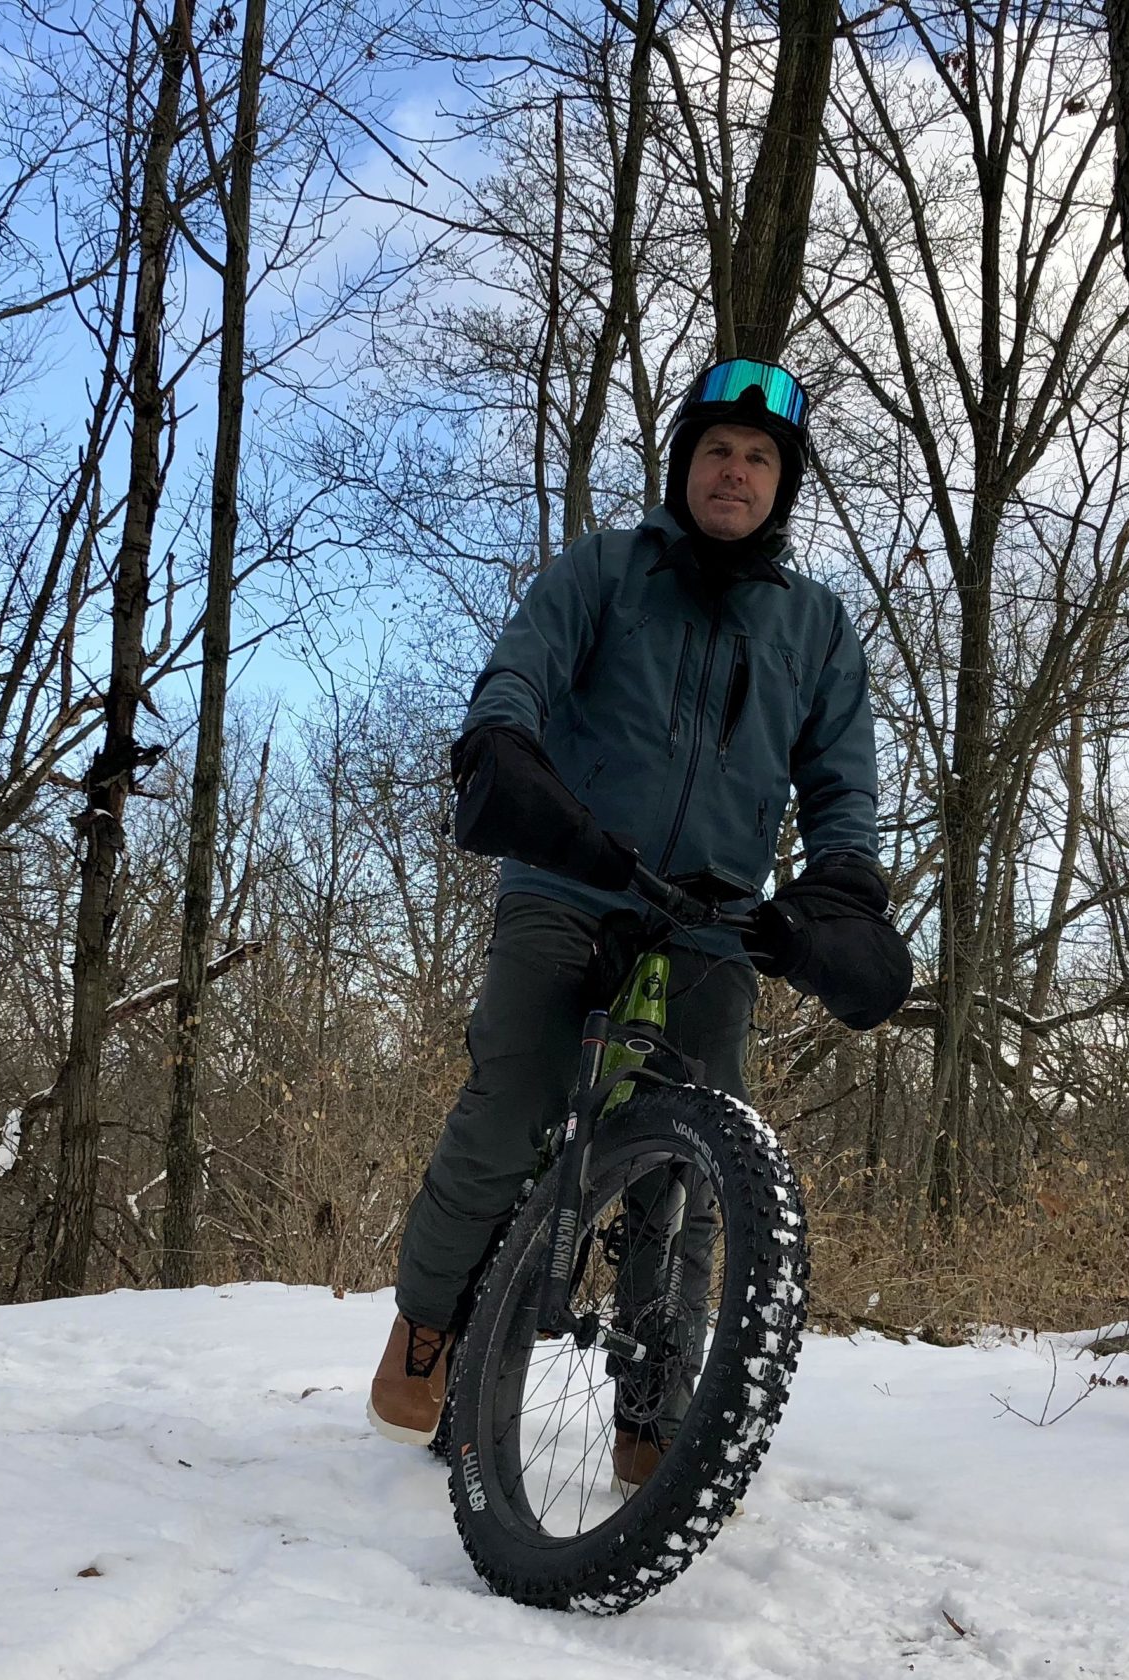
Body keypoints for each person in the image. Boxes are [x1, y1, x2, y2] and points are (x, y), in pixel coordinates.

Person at [369, 359, 912, 1471]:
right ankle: (428, 1322)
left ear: (783, 485)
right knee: (511, 1096)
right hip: (570, 878)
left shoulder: (815, 626)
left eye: (760, 458)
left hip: (713, 917)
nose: (736, 470)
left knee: (695, 1163)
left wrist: (842, 885)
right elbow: (520, 668)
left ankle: (653, 1407)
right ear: (683, 466)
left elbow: (840, 782)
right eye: (717, 449)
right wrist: (505, 748)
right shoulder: (606, 571)